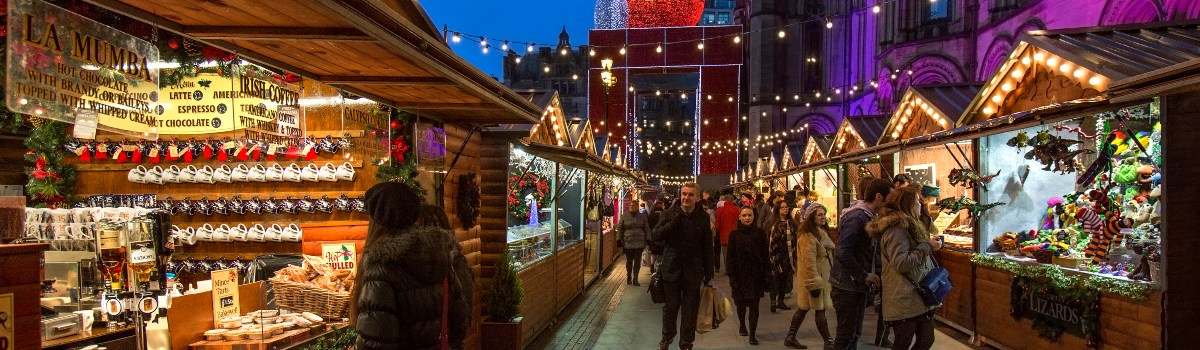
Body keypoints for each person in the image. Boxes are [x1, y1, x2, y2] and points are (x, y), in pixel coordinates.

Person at [352, 184, 473, 350]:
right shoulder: (439, 257)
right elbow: (460, 322)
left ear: (376, 221)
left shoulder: (382, 268)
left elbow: (374, 341)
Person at [867, 186, 943, 350]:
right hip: (904, 295)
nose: (920, 206)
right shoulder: (896, 230)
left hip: (918, 295)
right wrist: (927, 247)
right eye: (917, 202)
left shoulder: (911, 225)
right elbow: (902, 263)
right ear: (908, 204)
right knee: (903, 342)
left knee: (926, 339)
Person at [830, 178, 894, 350]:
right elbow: (842, 251)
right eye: (890, 197)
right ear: (879, 197)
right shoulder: (857, 217)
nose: (892, 202)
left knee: (853, 335)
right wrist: (863, 274)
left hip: (854, 286)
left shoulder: (866, 215)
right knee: (846, 337)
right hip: (846, 287)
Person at [652, 183, 715, 350]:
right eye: (684, 194)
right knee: (670, 307)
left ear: (698, 198)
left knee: (690, 309)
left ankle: (686, 342)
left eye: (690, 195)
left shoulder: (702, 217)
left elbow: (707, 245)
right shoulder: (669, 213)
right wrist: (674, 222)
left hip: (693, 271)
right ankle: (667, 337)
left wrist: (709, 273)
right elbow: (655, 235)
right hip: (671, 269)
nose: (686, 198)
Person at [784, 204, 835, 349]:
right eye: (819, 214)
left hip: (820, 277)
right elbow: (808, 262)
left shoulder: (819, 232)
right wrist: (815, 283)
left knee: (805, 308)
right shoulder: (807, 236)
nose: (823, 216)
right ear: (811, 217)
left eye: (823, 214)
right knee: (819, 309)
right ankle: (828, 341)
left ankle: (791, 336)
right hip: (814, 279)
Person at [726, 206, 770, 345]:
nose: (747, 218)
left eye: (749, 215)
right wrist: (732, 277)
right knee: (740, 304)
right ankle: (742, 325)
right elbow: (730, 258)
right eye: (744, 215)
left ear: (754, 216)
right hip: (740, 275)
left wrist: (767, 273)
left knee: (754, 306)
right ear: (739, 217)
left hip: (756, 275)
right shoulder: (734, 234)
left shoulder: (760, 233)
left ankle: (753, 334)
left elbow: (765, 255)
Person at [764, 200, 796, 313]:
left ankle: (781, 301)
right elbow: (768, 240)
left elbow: (795, 239)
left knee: (783, 280)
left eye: (786, 207)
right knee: (774, 279)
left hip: (787, 256)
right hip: (775, 255)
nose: (785, 209)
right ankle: (773, 301)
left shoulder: (791, 223)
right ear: (777, 209)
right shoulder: (772, 223)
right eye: (782, 207)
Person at [617, 199, 650, 286]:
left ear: (637, 207)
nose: (631, 207)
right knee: (629, 261)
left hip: (639, 242)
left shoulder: (642, 216)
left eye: (633, 205)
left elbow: (646, 228)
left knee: (637, 261)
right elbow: (620, 228)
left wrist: (648, 239)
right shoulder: (625, 216)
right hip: (628, 241)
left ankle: (635, 278)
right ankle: (629, 276)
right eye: (630, 205)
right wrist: (618, 240)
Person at [714, 195, 741, 274]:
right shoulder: (737, 209)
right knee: (735, 253)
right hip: (736, 234)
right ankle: (735, 269)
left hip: (724, 235)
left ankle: (728, 269)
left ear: (725, 200)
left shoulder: (720, 210)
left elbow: (717, 225)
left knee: (726, 253)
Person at [647, 201, 666, 274]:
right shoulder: (664, 214)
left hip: (653, 236)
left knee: (654, 252)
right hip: (661, 236)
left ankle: (652, 264)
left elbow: (648, 225)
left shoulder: (651, 215)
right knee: (660, 252)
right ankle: (658, 267)